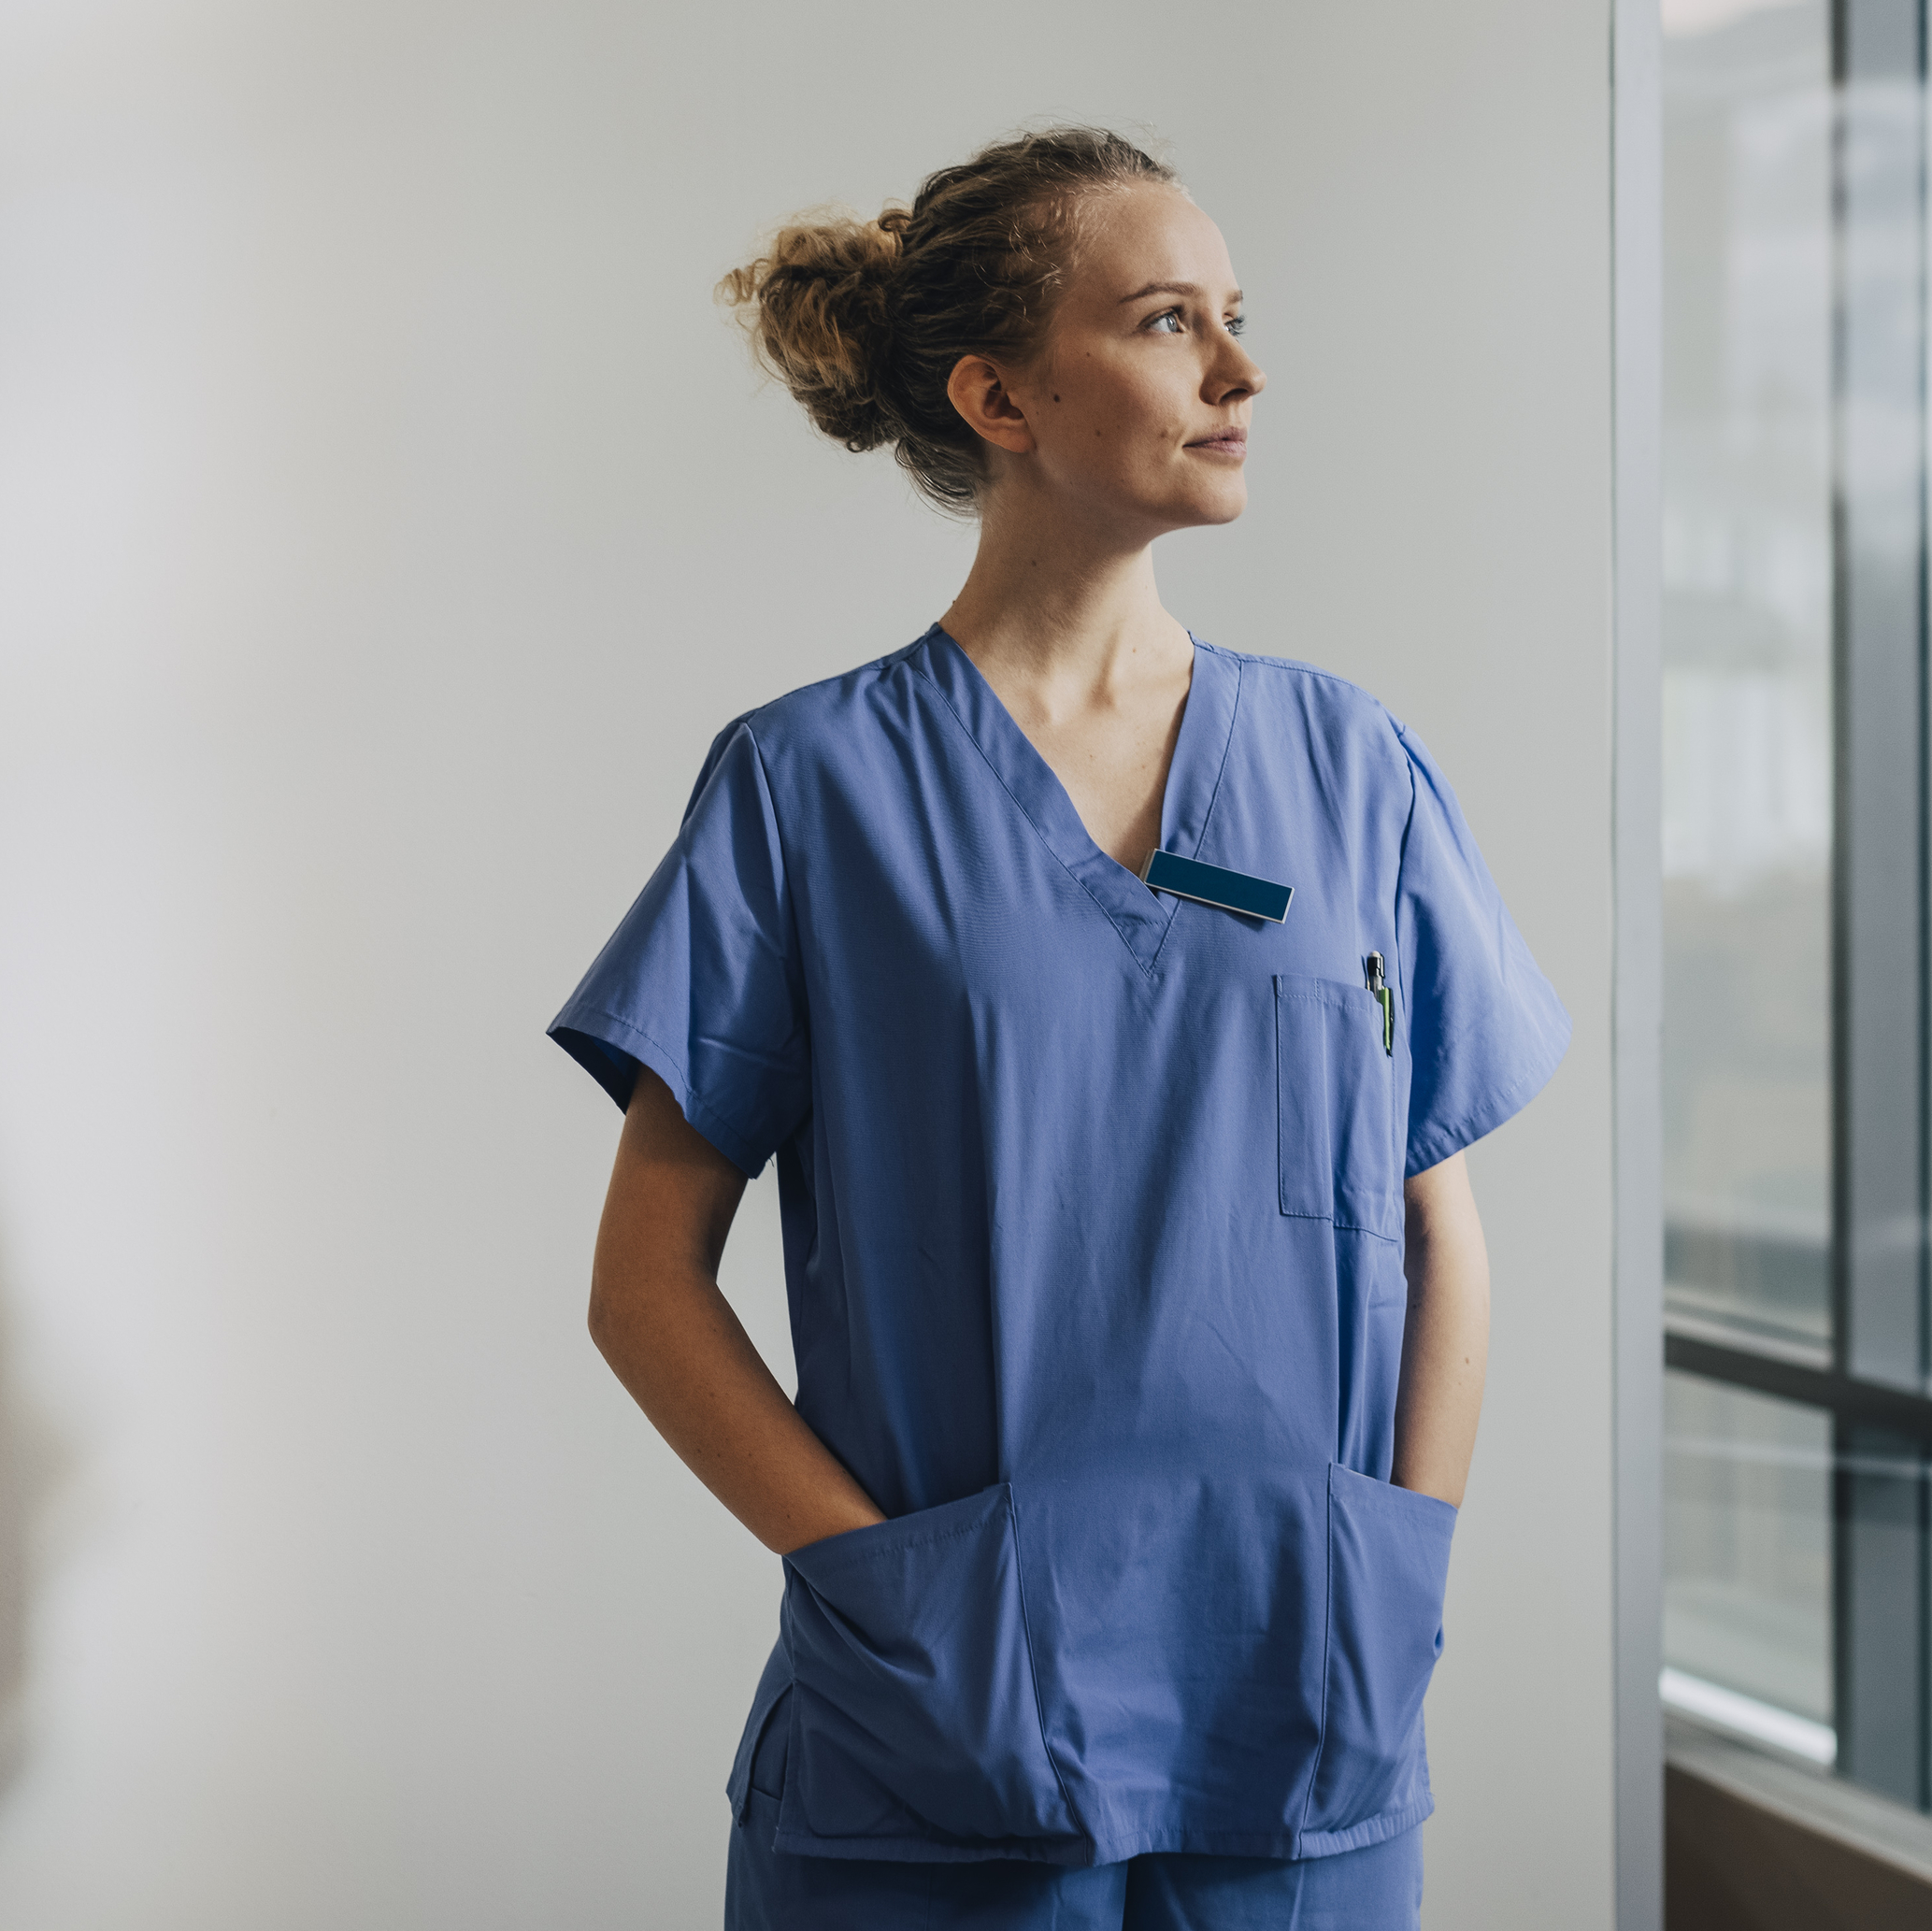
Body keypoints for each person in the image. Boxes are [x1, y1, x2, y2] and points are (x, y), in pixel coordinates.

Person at [551, 126, 1568, 1930]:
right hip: (934, 1747)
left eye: (1237, 318)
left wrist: (1397, 1567)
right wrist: (895, 1603)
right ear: (998, 394)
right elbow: (645, 1282)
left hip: (1305, 1715)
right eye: (1173, 320)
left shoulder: (1351, 770)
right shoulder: (811, 788)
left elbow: (1439, 1224)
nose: (1240, 371)